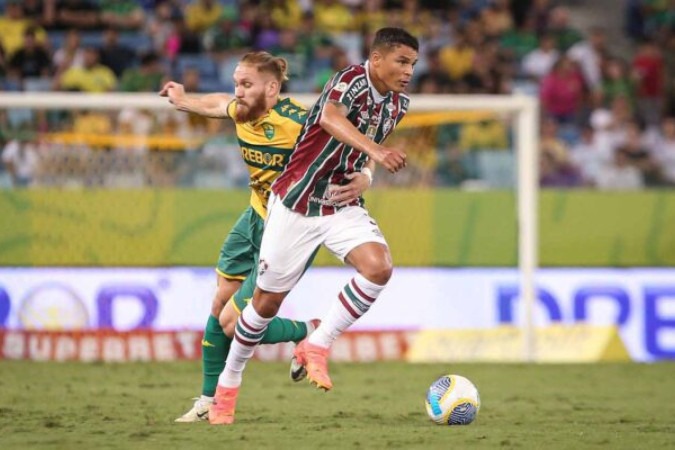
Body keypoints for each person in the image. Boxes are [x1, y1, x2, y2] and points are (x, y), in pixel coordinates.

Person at [209, 27, 418, 425]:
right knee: (263, 307)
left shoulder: (398, 104)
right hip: (295, 202)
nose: (408, 71)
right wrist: (376, 152)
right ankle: (227, 387)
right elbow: (329, 117)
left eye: (412, 64)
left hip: (340, 203)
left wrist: (368, 173)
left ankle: (317, 344)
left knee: (379, 267)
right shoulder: (351, 79)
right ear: (377, 60)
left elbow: (365, 147)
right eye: (402, 61)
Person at [159, 51, 373, 422]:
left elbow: (353, 139)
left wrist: (366, 175)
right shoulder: (242, 111)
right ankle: (208, 399)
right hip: (254, 218)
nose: (237, 92)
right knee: (219, 306)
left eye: (246, 84)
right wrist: (183, 101)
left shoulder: (299, 122)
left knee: (230, 321)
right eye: (236, 84)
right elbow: (215, 104)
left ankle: (309, 332)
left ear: (272, 88)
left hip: (290, 227)